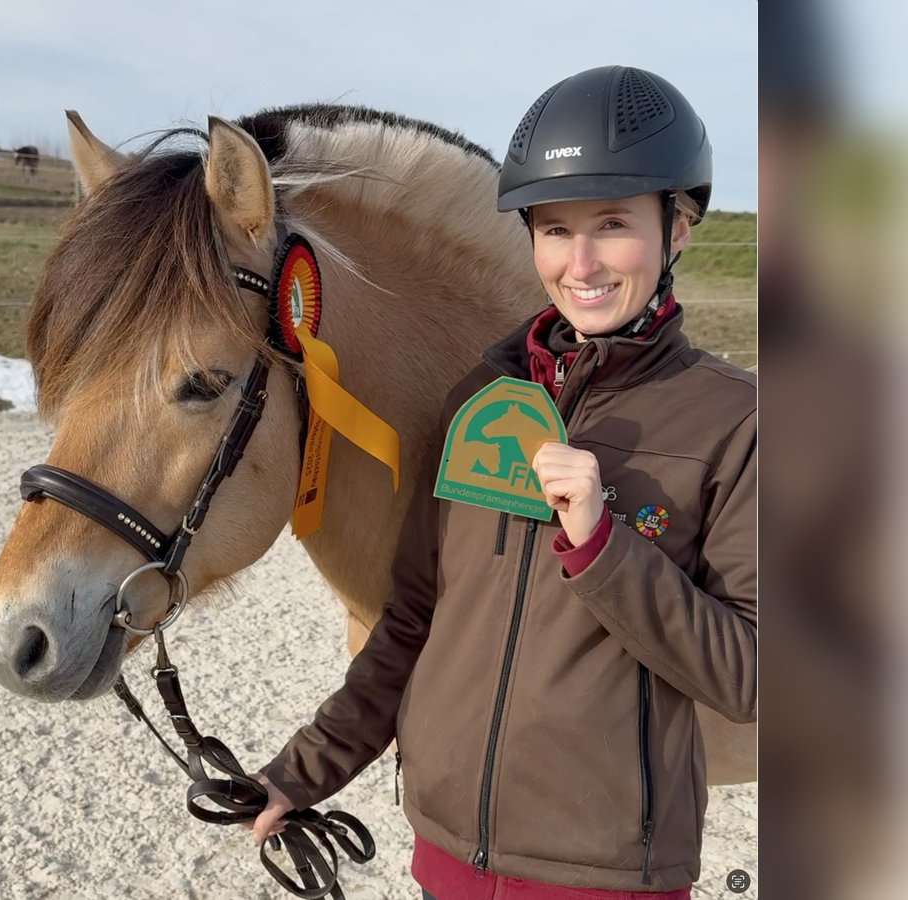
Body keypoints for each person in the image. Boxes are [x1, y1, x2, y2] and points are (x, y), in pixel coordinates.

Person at [250, 65, 756, 899]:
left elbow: (746, 674)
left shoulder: (735, 422)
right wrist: (302, 772)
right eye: (554, 229)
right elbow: (412, 619)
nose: (580, 262)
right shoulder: (482, 400)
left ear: (677, 229)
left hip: (602, 877)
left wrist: (603, 548)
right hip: (446, 857)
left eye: (612, 224)